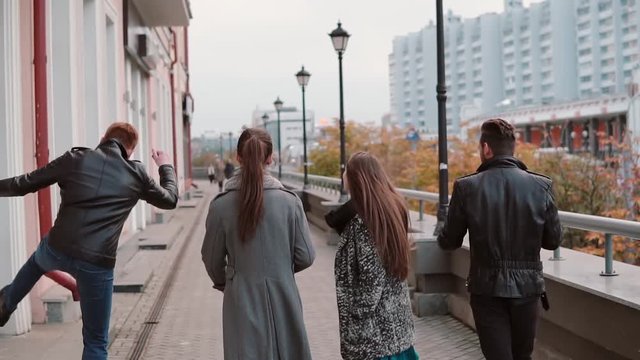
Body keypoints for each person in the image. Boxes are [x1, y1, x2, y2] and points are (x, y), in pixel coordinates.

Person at [0, 122, 178, 360]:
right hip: (97, 263)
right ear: (131, 151)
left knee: (36, 262)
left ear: (103, 137)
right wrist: (165, 166)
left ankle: (6, 303)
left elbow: (25, 183)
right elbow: (170, 199)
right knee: (96, 342)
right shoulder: (137, 174)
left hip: (57, 248)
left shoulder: (75, 159)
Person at [437, 118, 562, 360]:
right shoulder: (542, 186)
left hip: (487, 290)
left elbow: (450, 241)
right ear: (513, 148)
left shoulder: (466, 187)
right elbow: (553, 241)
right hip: (528, 290)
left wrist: (443, 231)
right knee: (522, 356)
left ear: (486, 148)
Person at [201, 128, 315, 360]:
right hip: (284, 297)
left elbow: (211, 259)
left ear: (238, 157)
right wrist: (280, 269)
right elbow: (306, 256)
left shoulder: (221, 206)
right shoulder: (290, 202)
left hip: (240, 298)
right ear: (271, 158)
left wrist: (228, 281)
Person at [325, 152, 418, 360]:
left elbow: (371, 282)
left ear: (356, 178)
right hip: (396, 328)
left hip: (374, 337)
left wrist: (355, 318)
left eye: (346, 171)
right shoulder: (391, 209)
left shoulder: (363, 223)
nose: (342, 175)